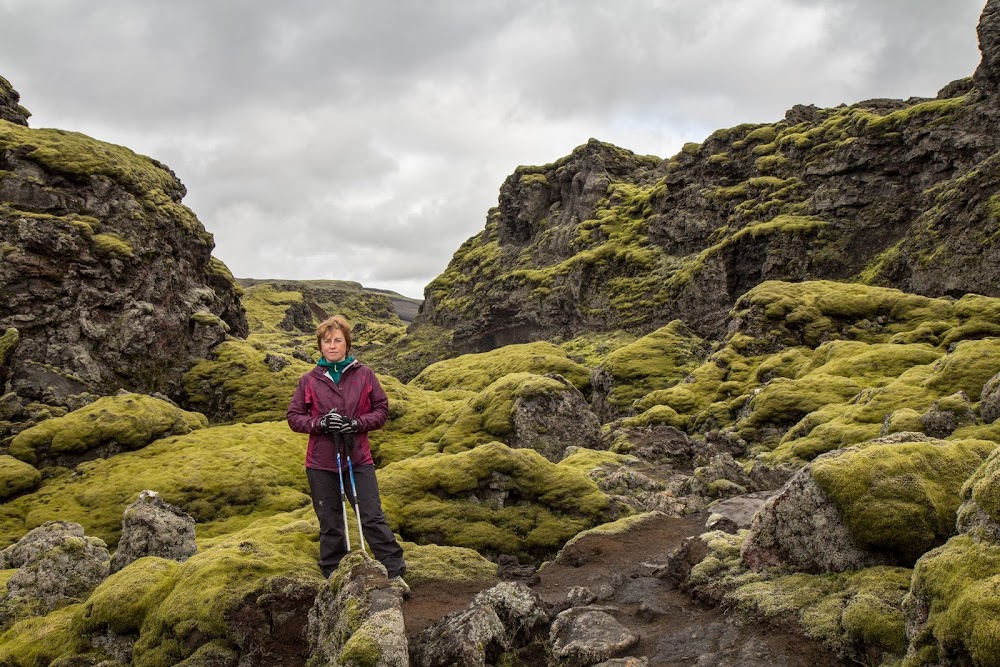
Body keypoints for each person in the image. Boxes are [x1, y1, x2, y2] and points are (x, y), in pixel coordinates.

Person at [287, 315, 407, 590]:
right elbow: (294, 417)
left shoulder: (364, 374)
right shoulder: (309, 380)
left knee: (371, 515)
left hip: (358, 458)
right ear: (320, 346)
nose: (332, 346)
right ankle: (333, 572)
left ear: (347, 344)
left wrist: (355, 423)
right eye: (326, 341)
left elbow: (381, 410)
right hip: (321, 463)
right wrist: (320, 423)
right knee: (330, 521)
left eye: (337, 340)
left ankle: (394, 569)